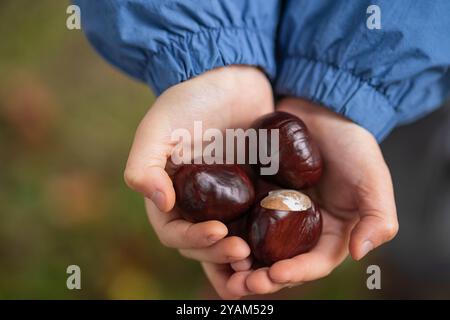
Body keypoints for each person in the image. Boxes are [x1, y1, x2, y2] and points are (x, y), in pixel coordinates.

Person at [75, 0, 450, 299]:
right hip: (379, 75)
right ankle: (416, 268)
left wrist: (349, 86)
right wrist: (210, 53)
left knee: (429, 198)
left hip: (416, 75)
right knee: (419, 200)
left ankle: (421, 272)